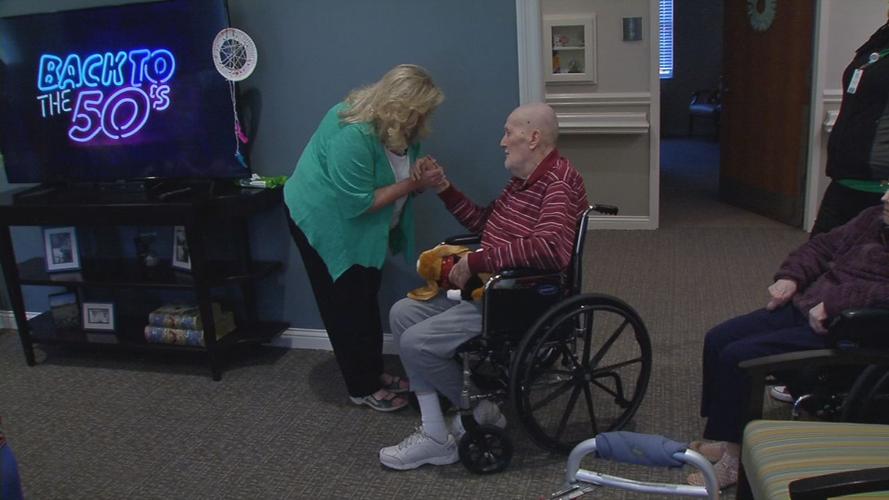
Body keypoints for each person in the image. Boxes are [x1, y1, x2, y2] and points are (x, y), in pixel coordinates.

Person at [378, 102, 590, 470]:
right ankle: (444, 426)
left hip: (522, 299)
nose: (501, 141)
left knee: (415, 343)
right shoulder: (524, 182)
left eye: (509, 132)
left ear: (534, 137)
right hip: (492, 290)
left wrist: (476, 261)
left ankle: (465, 414)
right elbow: (484, 223)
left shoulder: (556, 183)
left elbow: (551, 250)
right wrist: (444, 188)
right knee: (401, 314)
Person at [689, 189, 889, 488]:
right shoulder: (873, 219)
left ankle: (733, 460)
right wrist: (792, 276)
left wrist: (837, 303)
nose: (884, 197)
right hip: (809, 305)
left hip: (847, 328)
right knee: (718, 338)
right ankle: (730, 439)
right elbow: (821, 247)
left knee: (739, 357)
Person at [283, 64, 446, 412]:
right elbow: (358, 203)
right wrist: (413, 184)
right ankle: (361, 386)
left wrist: (417, 178)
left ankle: (372, 371)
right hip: (322, 216)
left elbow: (397, 179)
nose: (425, 120)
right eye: (420, 113)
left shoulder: (405, 130)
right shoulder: (352, 133)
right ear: (401, 109)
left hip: (357, 220)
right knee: (345, 302)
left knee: (365, 292)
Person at [810, 16, 889, 236]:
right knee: (815, 257)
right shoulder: (879, 43)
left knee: (865, 265)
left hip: (879, 189)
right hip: (845, 176)